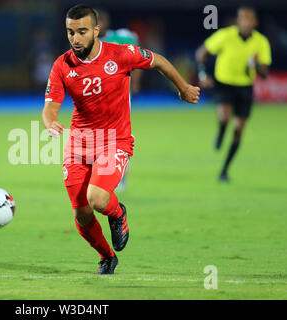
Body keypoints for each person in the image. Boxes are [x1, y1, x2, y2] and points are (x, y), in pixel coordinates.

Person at [42, 5, 199, 274]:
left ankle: (118, 213)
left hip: (115, 140)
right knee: (81, 213)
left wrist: (183, 88)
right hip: (79, 144)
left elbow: (158, 60)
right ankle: (107, 257)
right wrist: (49, 122)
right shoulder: (62, 65)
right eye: (70, 32)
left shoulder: (120, 54)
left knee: (98, 200)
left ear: (96, 30)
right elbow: (50, 107)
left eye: (81, 32)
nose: (75, 38)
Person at [195, 6, 271, 182]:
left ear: (255, 22)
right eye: (242, 18)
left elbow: (265, 74)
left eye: (249, 18)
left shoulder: (261, 42)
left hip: (245, 87)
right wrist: (202, 74)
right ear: (238, 21)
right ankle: (221, 131)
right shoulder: (225, 35)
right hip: (224, 84)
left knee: (238, 131)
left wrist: (256, 65)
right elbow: (201, 53)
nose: (245, 22)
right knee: (224, 117)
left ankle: (224, 170)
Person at [97, 9, 142, 192]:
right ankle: (102, 176)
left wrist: (136, 83)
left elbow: (137, 60)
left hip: (120, 96)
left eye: (102, 20)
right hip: (96, 97)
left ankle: (121, 176)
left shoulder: (121, 38)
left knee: (118, 137)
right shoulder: (87, 44)